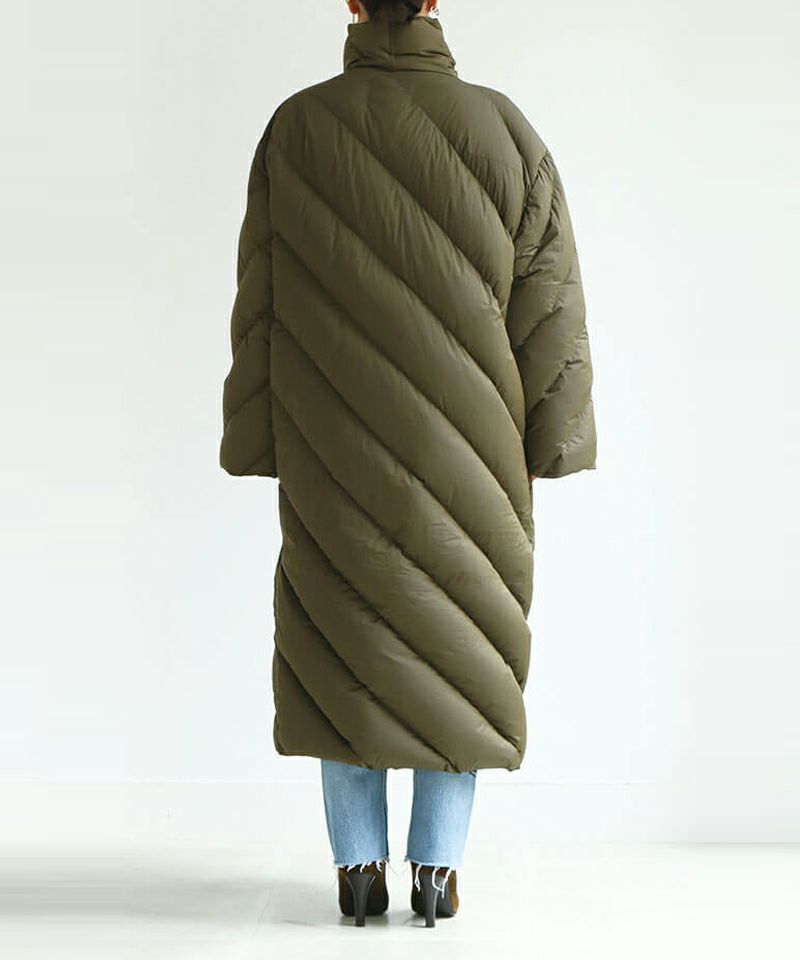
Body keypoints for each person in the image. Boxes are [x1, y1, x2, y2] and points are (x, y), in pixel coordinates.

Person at [219, 0, 596, 929]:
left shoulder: (297, 128)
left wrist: (259, 435)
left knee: (339, 641)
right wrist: (551, 442)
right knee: (456, 644)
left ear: (351, 4)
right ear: (435, 3)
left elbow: (262, 301)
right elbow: (550, 309)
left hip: (332, 444)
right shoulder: (505, 131)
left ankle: (356, 870)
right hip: (472, 453)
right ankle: (437, 870)